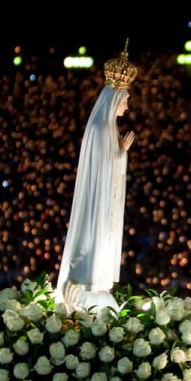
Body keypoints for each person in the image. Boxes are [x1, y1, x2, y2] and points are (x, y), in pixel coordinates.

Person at [57, 39, 138, 314]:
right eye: (125, 101)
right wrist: (121, 154)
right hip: (98, 203)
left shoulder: (107, 128)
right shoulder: (103, 130)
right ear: (115, 99)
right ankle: (88, 278)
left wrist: (121, 153)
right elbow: (103, 171)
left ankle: (96, 277)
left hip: (104, 201)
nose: (126, 107)